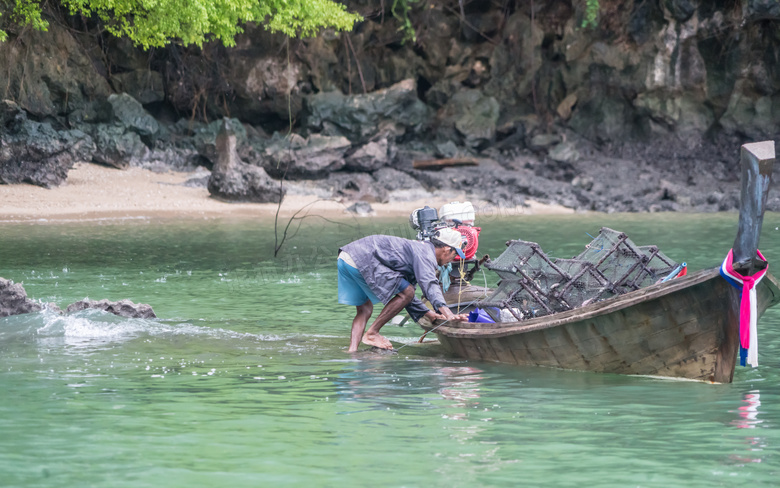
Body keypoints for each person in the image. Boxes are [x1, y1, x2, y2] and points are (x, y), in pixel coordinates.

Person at [337, 228, 468, 352]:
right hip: (363, 257)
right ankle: (372, 333)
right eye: (455, 253)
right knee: (407, 291)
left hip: (346, 257)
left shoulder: (419, 249)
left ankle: (352, 352)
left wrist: (429, 314)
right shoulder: (426, 254)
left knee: (364, 310)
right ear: (446, 249)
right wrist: (448, 314)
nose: (453, 259)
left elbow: (407, 298)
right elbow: (428, 284)